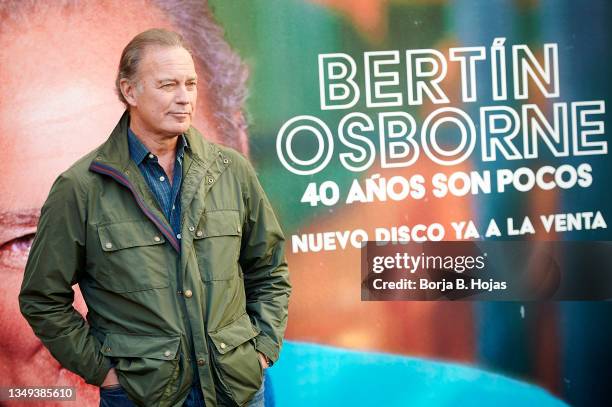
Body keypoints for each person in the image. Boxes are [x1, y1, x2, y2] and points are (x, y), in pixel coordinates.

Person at [17, 18, 288, 407]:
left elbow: (269, 267)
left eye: (190, 84)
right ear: (129, 90)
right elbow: (42, 297)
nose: (184, 98)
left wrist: (259, 350)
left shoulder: (231, 170)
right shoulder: (80, 187)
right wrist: (104, 372)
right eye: (167, 85)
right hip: (141, 397)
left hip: (238, 391)